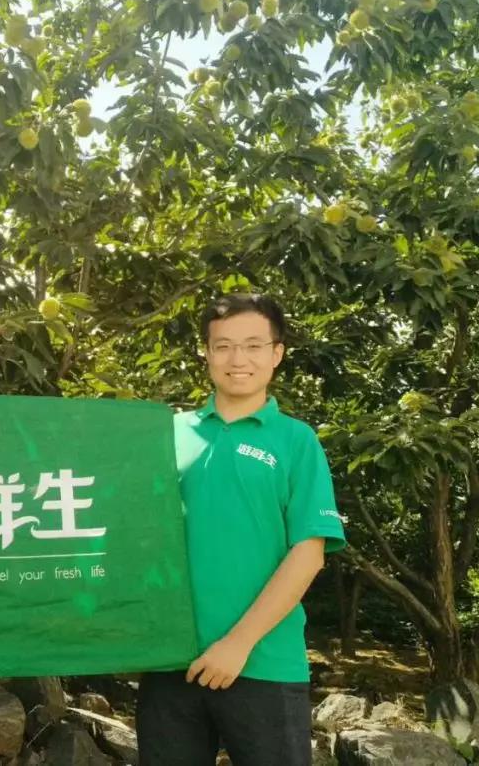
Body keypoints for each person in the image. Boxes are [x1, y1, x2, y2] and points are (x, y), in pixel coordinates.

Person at [137, 293, 346, 766]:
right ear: (207, 354)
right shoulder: (166, 434)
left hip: (264, 663)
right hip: (171, 661)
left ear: (277, 353)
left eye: (253, 346)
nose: (238, 359)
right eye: (224, 346)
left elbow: (309, 553)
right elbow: (137, 537)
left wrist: (238, 644)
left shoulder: (297, 441)